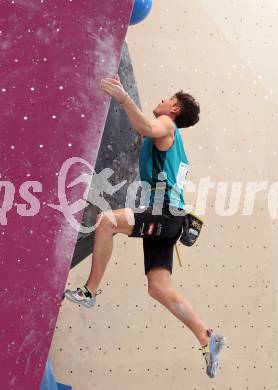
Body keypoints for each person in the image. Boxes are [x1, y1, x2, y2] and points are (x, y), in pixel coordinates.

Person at [64, 75, 226, 378]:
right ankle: (206, 337)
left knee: (107, 222)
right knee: (158, 287)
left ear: (174, 109)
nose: (162, 101)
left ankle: (89, 292)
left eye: (167, 99)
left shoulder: (167, 127)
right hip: (170, 217)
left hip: (164, 213)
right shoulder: (176, 145)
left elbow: (147, 127)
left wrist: (124, 98)